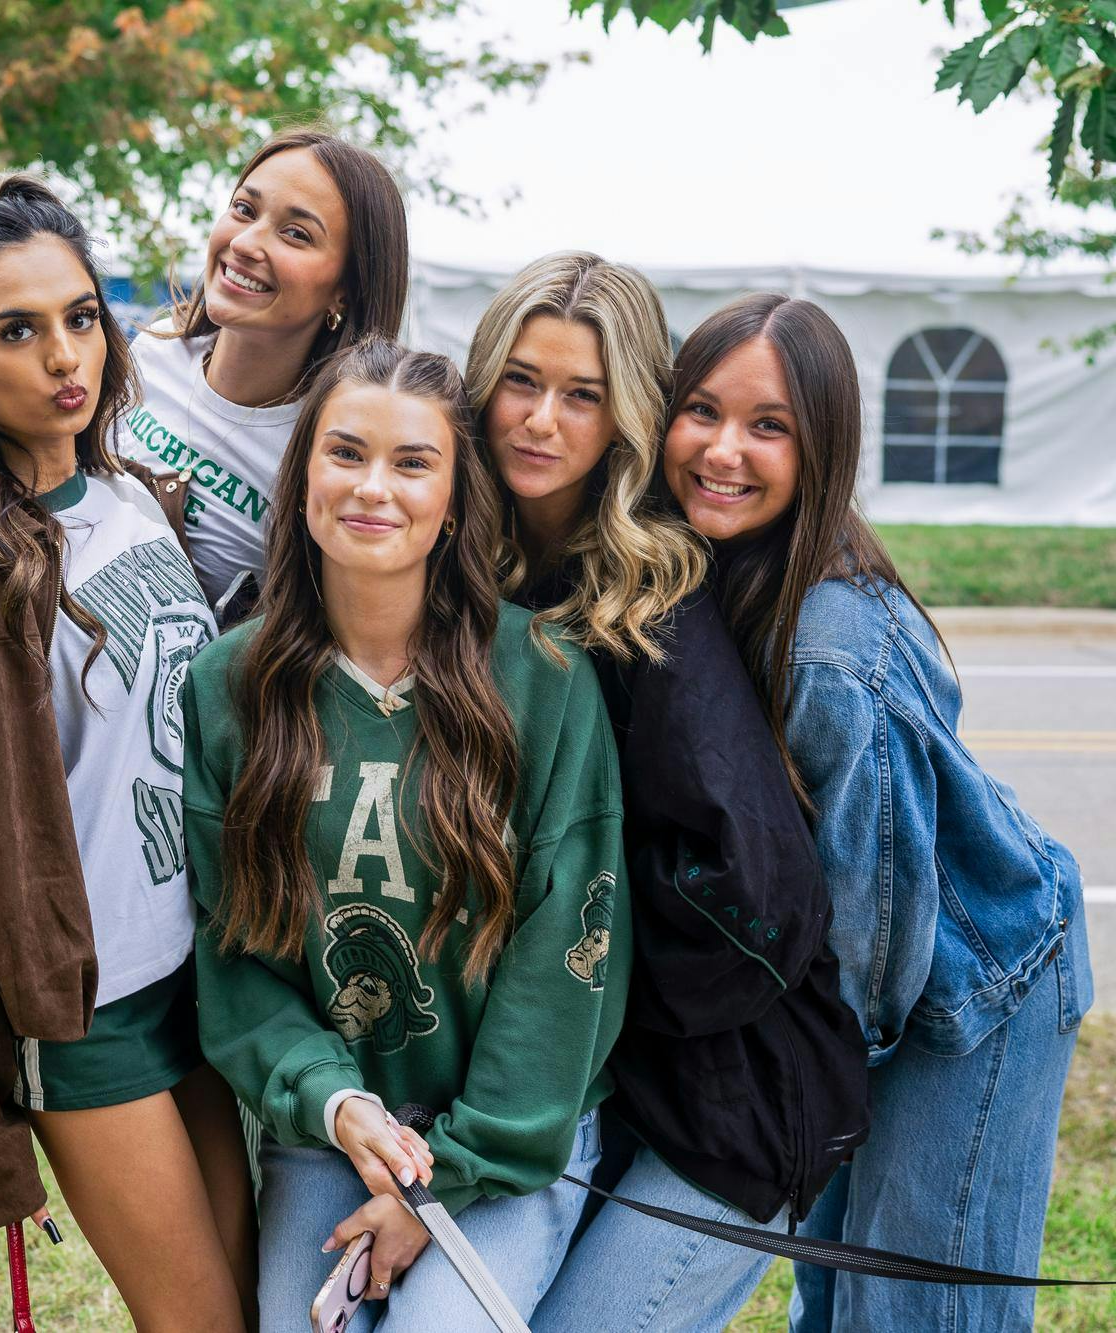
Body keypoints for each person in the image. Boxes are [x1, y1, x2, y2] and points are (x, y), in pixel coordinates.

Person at [656, 293, 1091, 1332]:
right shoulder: (714, 574)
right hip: (871, 988)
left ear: (824, 449)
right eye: (702, 410)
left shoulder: (828, 646)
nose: (723, 449)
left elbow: (877, 924)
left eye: (769, 426)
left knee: (906, 1310)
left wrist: (807, 1076)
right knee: (835, 1287)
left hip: (973, 992)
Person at [184, 335, 631, 1330]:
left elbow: (568, 956)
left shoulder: (544, 679)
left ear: (454, 495)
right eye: (344, 453)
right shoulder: (226, 687)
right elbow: (234, 956)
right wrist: (338, 1109)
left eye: (410, 461)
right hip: (334, 1128)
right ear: (301, 471)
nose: (370, 488)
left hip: (512, 1140)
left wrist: (442, 1183)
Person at [454, 254, 866, 1331]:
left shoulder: (652, 604)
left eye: (581, 394)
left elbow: (762, 896)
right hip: (579, 1085)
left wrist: (592, 998)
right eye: (519, 381)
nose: (540, 421)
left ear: (624, 414)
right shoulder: (472, 577)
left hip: (730, 1102)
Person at [0, 172, 254, 1330]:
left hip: (201, 974)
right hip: (85, 1015)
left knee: (250, 1301)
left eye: (79, 316)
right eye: (16, 330)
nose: (62, 356)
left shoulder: (140, 500)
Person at [114, 127, 408, 620]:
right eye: (244, 210)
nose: (247, 243)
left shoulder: (333, 452)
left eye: (296, 234)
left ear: (345, 290)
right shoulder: (154, 350)